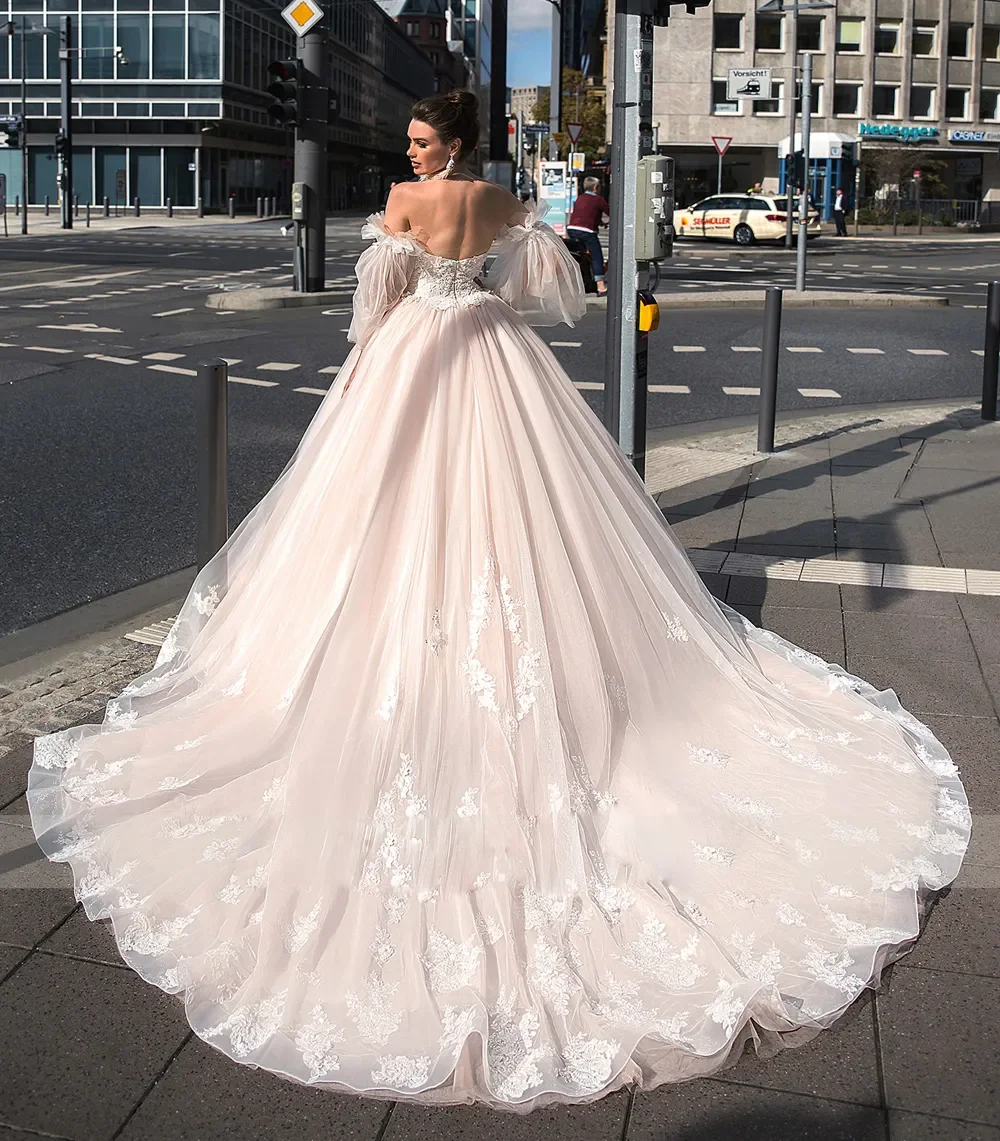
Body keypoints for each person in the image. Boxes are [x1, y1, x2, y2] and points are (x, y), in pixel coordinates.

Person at [25, 88, 967, 1112]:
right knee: (534, 523)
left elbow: (372, 310)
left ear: (452, 141)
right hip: (494, 357)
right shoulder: (505, 203)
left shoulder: (404, 201)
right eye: (412, 142)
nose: (413, 151)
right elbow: (541, 288)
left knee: (374, 521)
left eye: (425, 139)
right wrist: (476, 287)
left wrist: (397, 315)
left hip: (408, 367)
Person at [567, 175, 610, 296]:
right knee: (597, 256)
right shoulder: (598, 200)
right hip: (587, 231)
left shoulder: (580, 198)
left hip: (572, 229)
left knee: (581, 255)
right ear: (596, 187)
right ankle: (600, 286)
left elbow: (585, 214)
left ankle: (582, 281)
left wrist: (599, 222)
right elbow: (611, 212)